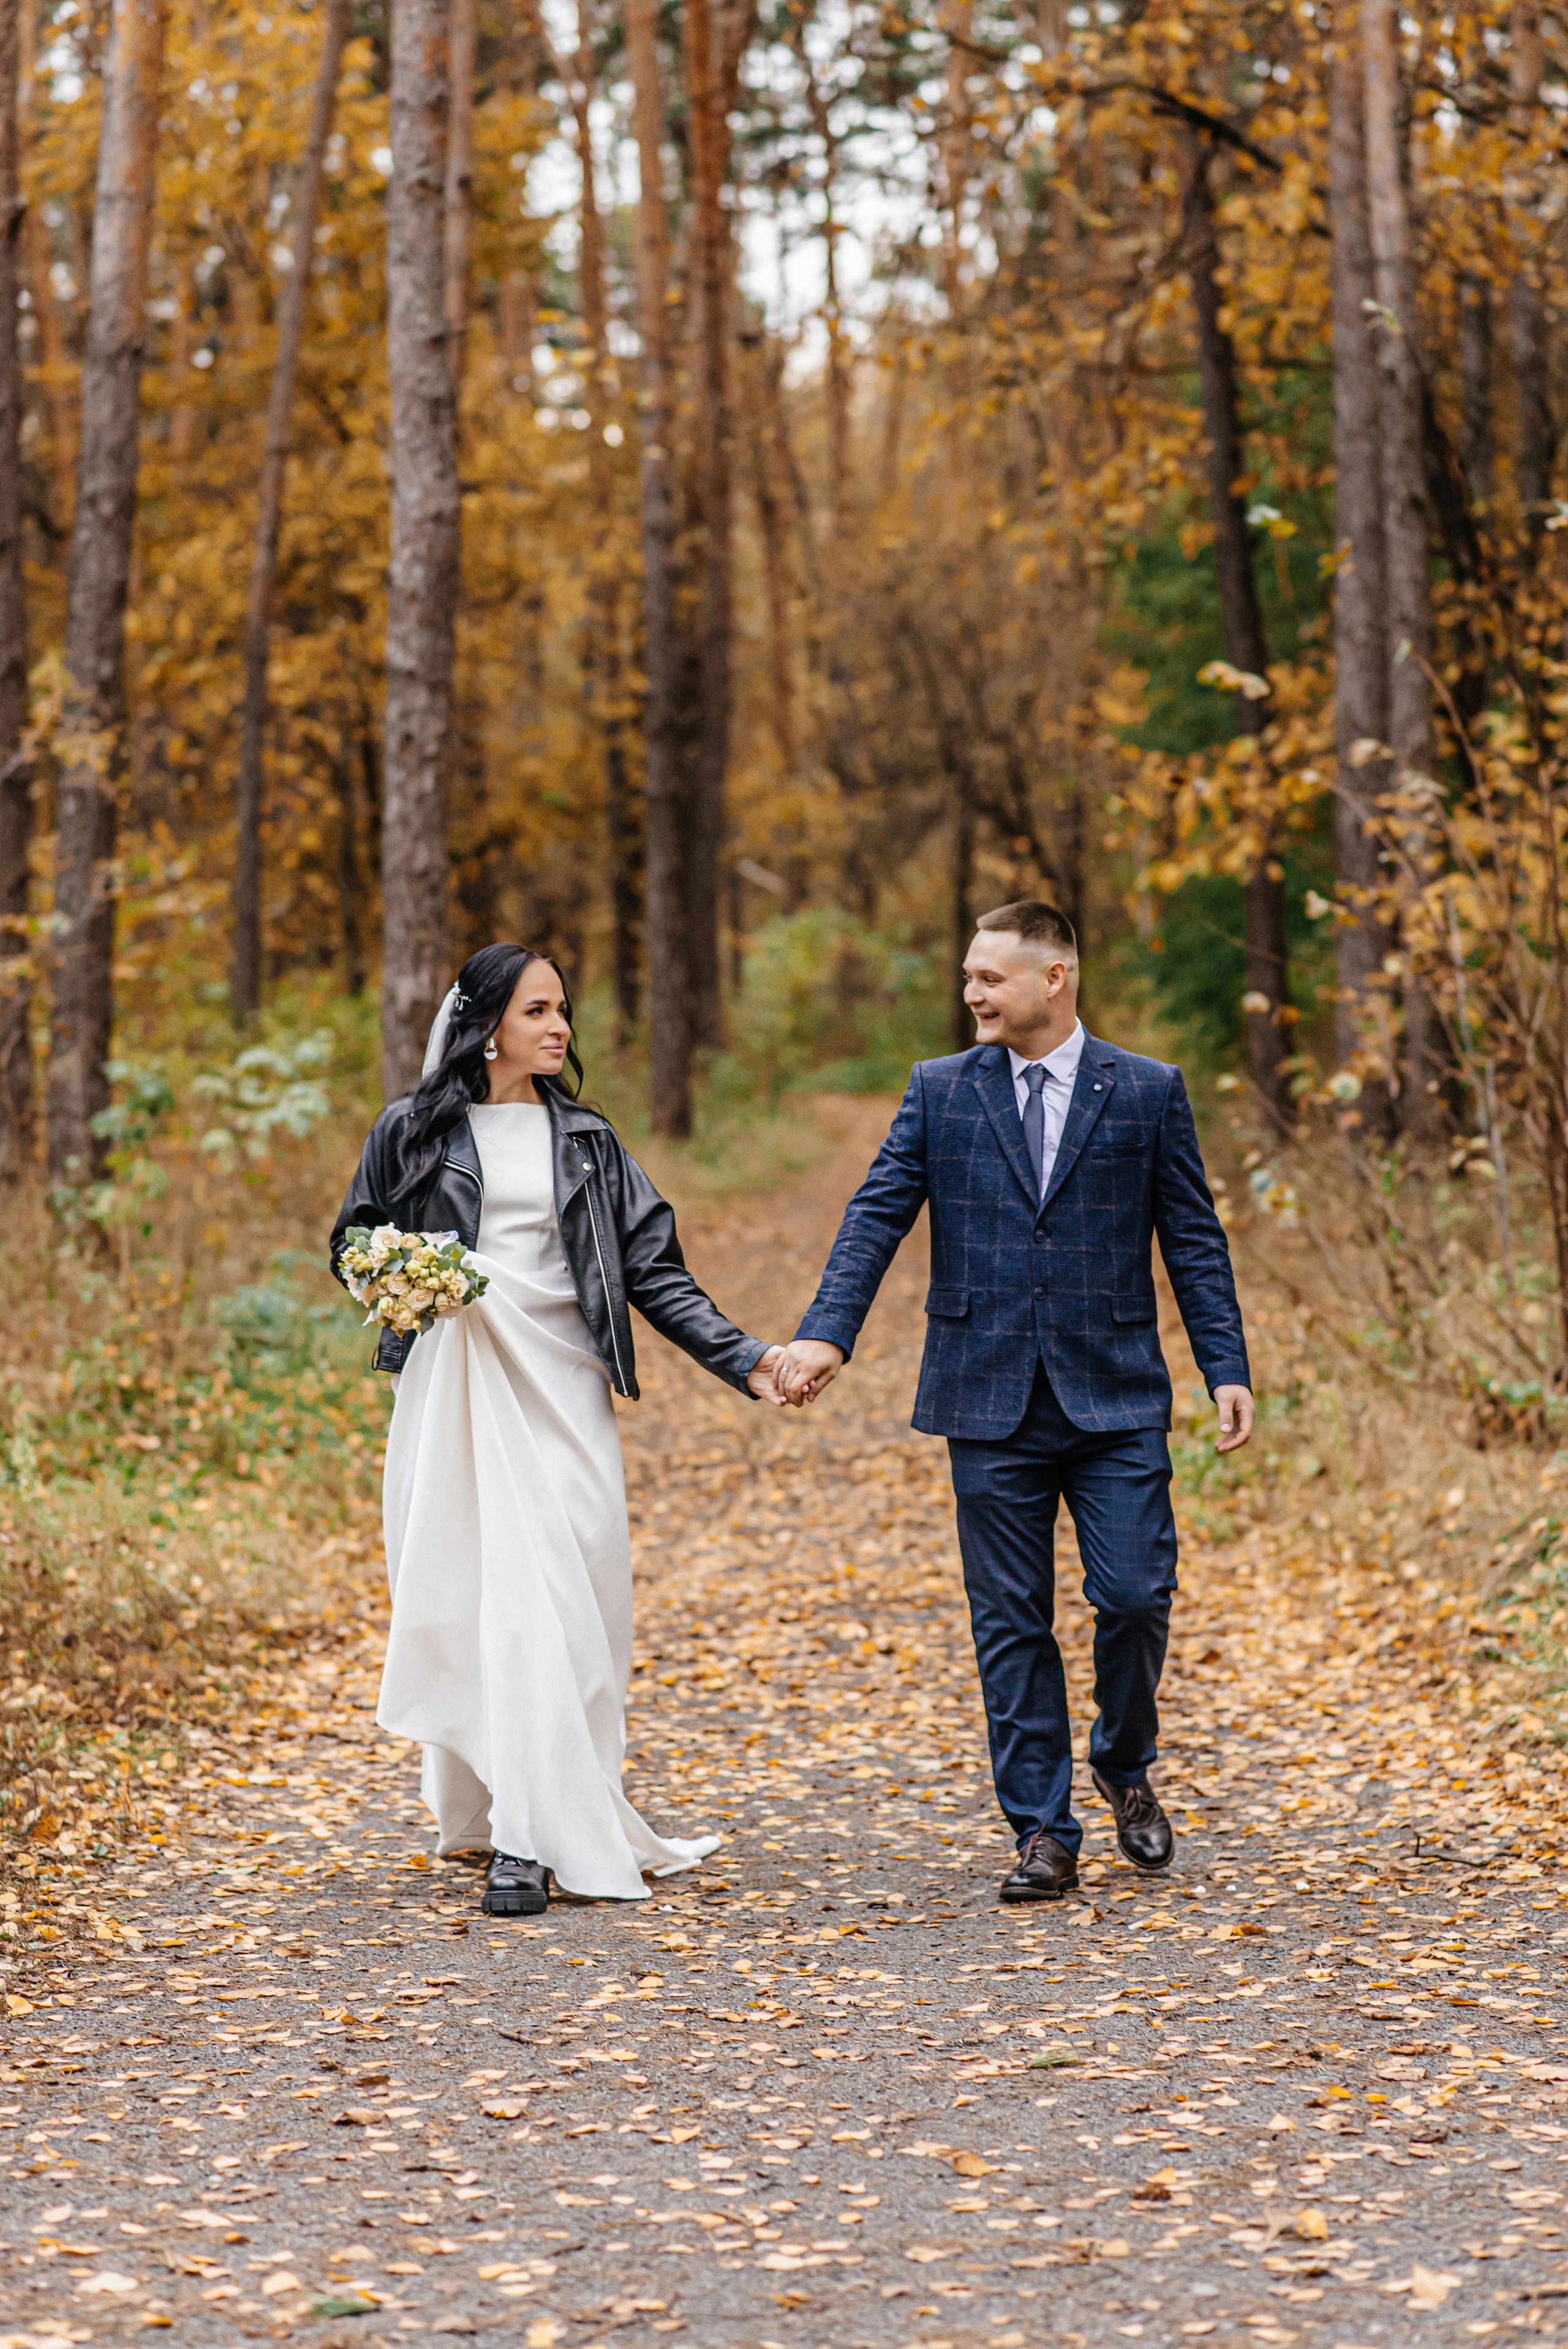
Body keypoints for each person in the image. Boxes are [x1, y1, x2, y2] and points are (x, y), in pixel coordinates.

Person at [775, 901, 1252, 1902]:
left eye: (990, 978)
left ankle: (1125, 1758)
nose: (972, 994)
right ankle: (1043, 1827)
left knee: (1133, 1595)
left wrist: (1225, 1366)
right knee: (1010, 1620)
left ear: (1055, 978)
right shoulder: (940, 1092)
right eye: (968, 977)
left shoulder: (1148, 1091)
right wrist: (828, 1330)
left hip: (1115, 1392)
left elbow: (1193, 1238)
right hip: (983, 1390)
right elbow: (878, 1212)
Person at [330, 943, 785, 1918]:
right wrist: (403, 1276)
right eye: (539, 1009)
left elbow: (655, 1272)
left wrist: (744, 1356)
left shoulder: (588, 1140)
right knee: (495, 1603)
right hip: (459, 1388)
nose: (560, 1026)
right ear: (489, 1021)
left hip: (566, 1388)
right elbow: (353, 1237)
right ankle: (521, 1840)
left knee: (582, 1607)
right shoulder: (410, 1130)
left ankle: (556, 1797)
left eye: (563, 1009)